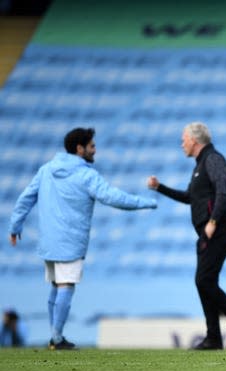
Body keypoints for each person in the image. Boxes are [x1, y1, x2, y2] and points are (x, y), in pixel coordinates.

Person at [8, 127, 157, 350]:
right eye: (92, 146)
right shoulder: (86, 175)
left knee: (56, 285)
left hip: (49, 241)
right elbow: (112, 197)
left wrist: (15, 226)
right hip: (70, 241)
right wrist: (144, 202)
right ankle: (57, 338)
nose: (95, 150)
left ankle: (54, 336)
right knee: (66, 285)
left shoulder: (47, 170)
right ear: (80, 149)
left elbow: (26, 197)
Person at [147, 121, 226, 350]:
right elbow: (190, 197)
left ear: (194, 140)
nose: (182, 143)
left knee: (203, 280)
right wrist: (159, 188)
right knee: (205, 282)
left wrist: (213, 221)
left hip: (220, 229)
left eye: (183, 139)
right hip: (208, 231)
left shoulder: (213, 159)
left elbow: (225, 191)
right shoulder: (200, 165)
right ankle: (213, 337)